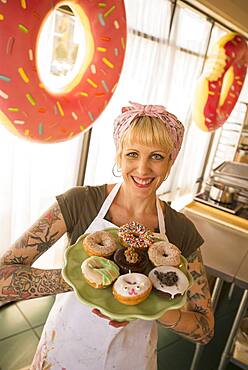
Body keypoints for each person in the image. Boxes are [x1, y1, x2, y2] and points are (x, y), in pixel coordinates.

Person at [0, 102, 214, 370]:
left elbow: (204, 330)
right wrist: (83, 280)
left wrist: (152, 306)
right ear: (119, 156)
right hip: (63, 352)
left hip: (131, 360)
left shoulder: (181, 231)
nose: (143, 169)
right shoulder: (79, 203)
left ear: (171, 160)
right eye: (133, 154)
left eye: (157, 156)